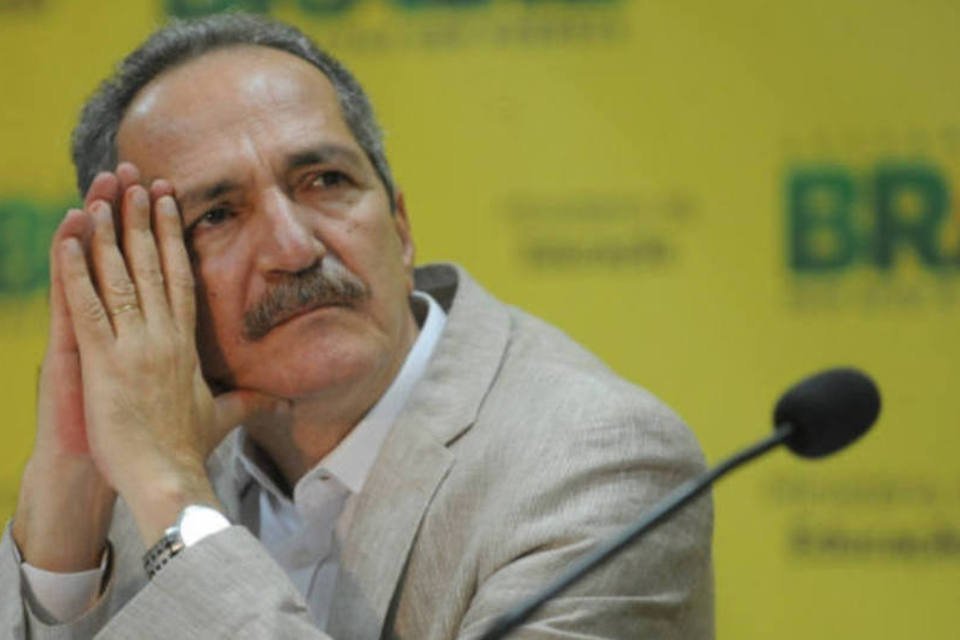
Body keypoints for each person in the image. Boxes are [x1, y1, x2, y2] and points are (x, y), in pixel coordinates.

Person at [0, 13, 713, 639]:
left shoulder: (597, 467)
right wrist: (71, 489)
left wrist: (174, 497)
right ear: (137, 283)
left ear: (400, 226)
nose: (294, 249)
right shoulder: (144, 459)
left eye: (325, 182)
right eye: (216, 215)